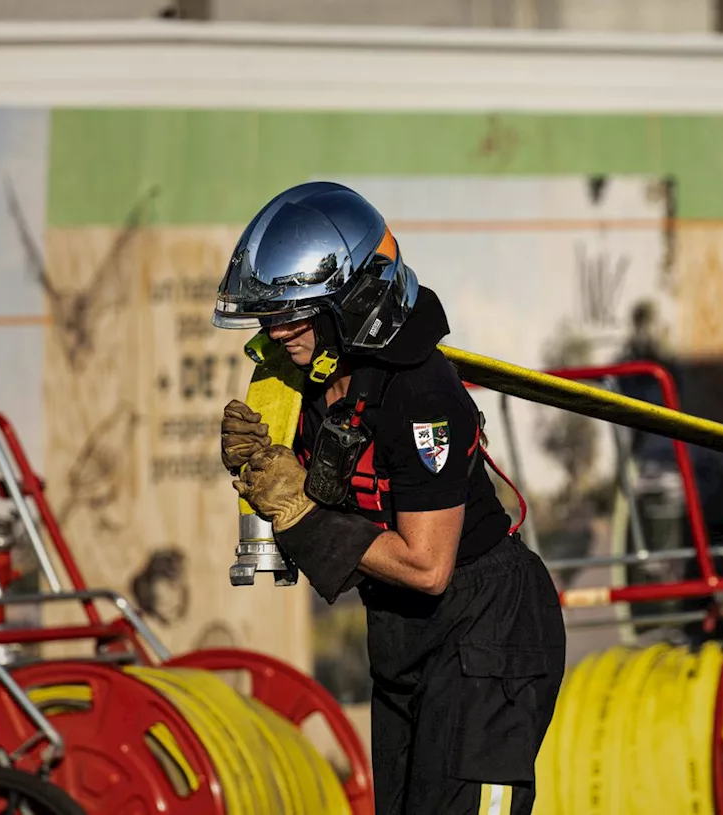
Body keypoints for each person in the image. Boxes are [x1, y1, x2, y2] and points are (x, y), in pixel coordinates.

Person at [211, 181, 565, 815]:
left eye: (296, 312)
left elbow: (427, 567)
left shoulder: (422, 397)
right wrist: (266, 472)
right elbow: (319, 509)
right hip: (403, 636)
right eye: (270, 314)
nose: (278, 330)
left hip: (486, 629)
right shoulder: (311, 381)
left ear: (356, 302)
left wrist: (299, 512)